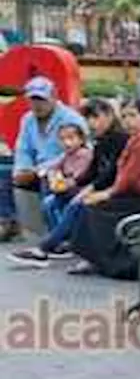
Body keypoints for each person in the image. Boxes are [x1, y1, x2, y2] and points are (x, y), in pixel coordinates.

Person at [64, 99, 140, 278]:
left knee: (95, 208)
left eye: (133, 116)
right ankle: (97, 259)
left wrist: (105, 194)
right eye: (124, 117)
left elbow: (129, 177)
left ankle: (115, 264)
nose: (128, 121)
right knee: (92, 204)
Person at [8, 99, 129, 267]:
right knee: (53, 200)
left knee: (76, 204)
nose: (91, 123)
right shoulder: (101, 140)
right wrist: (71, 183)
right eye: (88, 119)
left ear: (109, 115)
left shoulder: (121, 139)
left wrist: (87, 190)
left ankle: (45, 248)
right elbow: (91, 172)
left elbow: (111, 174)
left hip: (116, 192)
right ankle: (59, 243)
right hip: (101, 188)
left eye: (95, 117)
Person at [0, 76, 88, 242]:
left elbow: (78, 151)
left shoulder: (71, 119)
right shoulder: (28, 119)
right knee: (2, 170)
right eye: (33, 100)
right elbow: (23, 148)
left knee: (49, 177)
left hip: (65, 169)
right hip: (35, 167)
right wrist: (22, 169)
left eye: (41, 100)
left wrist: (38, 171)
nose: (37, 105)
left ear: (53, 97)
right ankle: (8, 221)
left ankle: (54, 232)